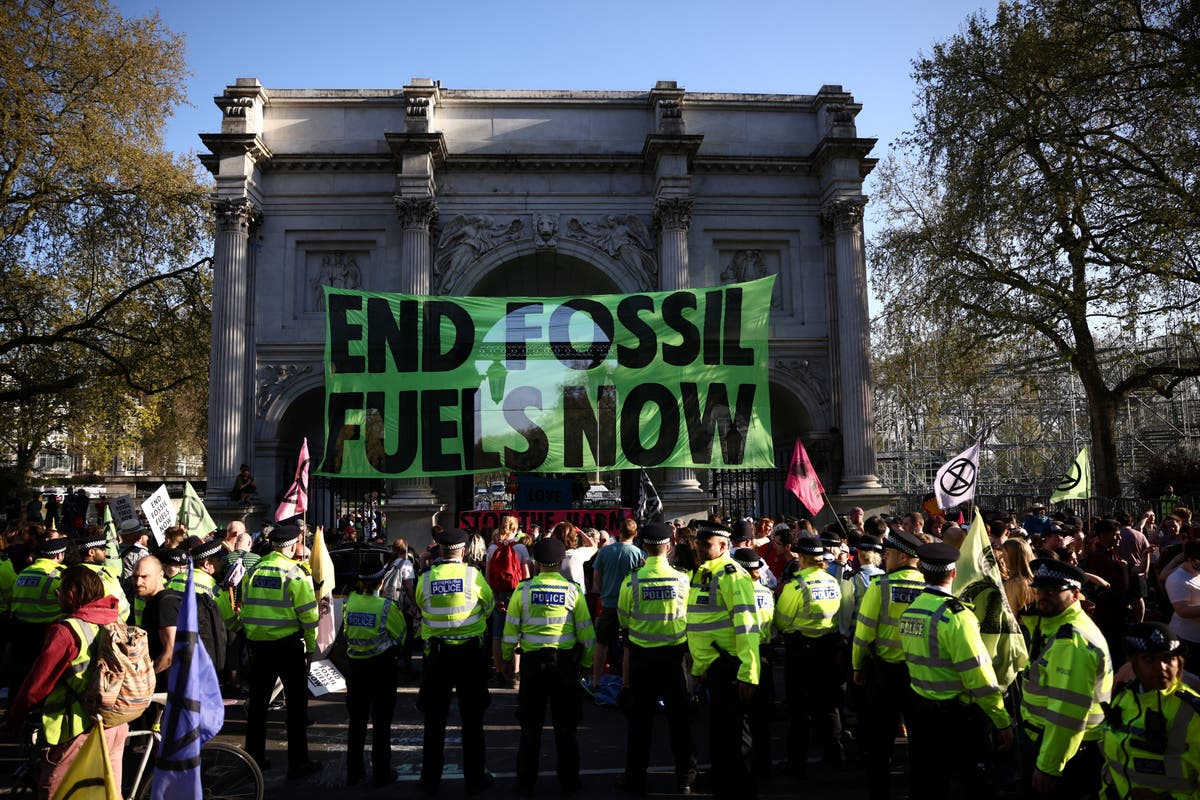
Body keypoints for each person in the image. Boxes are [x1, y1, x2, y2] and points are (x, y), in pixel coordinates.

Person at [899, 542, 1013, 800]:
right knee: (976, 786)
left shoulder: (912, 609)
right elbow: (979, 677)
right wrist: (1001, 720)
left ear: (923, 571)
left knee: (927, 783)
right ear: (953, 574)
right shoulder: (957, 617)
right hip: (957, 718)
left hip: (921, 711)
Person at [5, 565, 129, 797]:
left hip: (76, 727)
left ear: (71, 594)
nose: (57, 596)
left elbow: (37, 684)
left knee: (56, 791)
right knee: (107, 792)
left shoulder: (67, 631)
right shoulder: (114, 620)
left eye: (59, 591)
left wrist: (15, 718)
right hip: (114, 722)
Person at [502, 537, 596, 796]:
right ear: (561, 562)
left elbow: (510, 630)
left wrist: (507, 660)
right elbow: (587, 633)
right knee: (566, 727)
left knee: (530, 727)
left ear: (535, 562)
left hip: (532, 666)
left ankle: (525, 781)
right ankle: (569, 781)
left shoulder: (522, 590)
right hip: (564, 665)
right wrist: (587, 664)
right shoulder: (573, 590)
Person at [1021, 558, 1114, 798]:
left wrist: (1048, 766)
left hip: (1067, 751)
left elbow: (1067, 714)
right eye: (1040, 589)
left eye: (1053, 590)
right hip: (1057, 743)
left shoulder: (1071, 641)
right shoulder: (1054, 624)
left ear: (1075, 594)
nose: (1043, 595)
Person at [615, 522, 695, 795]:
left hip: (642, 658)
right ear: (669, 546)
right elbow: (689, 616)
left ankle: (635, 777)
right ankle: (685, 776)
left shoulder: (632, 580)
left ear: (643, 547)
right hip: (674, 657)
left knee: (640, 723)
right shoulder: (683, 579)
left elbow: (623, 619)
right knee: (680, 721)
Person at [414, 527, 495, 795]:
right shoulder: (473, 575)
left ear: (440, 549)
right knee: (472, 720)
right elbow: (490, 606)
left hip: (436, 657)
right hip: (470, 656)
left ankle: (429, 780)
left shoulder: (425, 578)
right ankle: (475, 778)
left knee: (434, 722)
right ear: (462, 551)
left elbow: (421, 607)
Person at [240, 524, 321, 779]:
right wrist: (310, 646)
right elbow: (309, 616)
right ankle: (298, 763)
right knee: (296, 708)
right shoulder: (294, 573)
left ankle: (254, 759)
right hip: (287, 647)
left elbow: (244, 605)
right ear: (293, 544)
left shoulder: (253, 570)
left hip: (258, 647)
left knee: (258, 707)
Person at [686, 523, 760, 800]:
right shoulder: (705, 573)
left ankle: (740, 790)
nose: (700, 547)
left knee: (734, 737)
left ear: (723, 547)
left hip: (730, 666)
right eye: (699, 543)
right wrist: (699, 668)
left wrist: (748, 672)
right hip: (714, 667)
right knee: (719, 733)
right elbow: (701, 624)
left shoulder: (731, 576)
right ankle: (724, 784)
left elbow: (747, 626)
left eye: (707, 544)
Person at [1101, 622, 1200, 798]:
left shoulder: (1191, 711)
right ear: (1133, 663)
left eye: (1168, 658)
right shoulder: (1122, 698)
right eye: (1150, 659)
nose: (1161, 667)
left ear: (1179, 664)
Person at [774, 533, 844, 775]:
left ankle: (797, 763)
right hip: (828, 648)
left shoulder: (796, 585)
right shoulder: (832, 582)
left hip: (801, 651)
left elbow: (782, 620)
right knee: (828, 707)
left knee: (799, 710)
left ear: (801, 558)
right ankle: (835, 756)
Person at [342, 562, 404, 787]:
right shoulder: (387, 606)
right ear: (382, 581)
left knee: (356, 722)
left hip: (356, 669)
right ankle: (381, 772)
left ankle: (354, 772)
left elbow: (347, 632)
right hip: (381, 669)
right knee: (381, 723)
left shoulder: (349, 602)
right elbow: (401, 636)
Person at [733, 546, 776, 778]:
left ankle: (744, 765)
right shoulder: (767, 593)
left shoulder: (737, 593)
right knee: (762, 716)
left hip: (744, 653)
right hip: (765, 653)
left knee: (742, 715)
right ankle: (764, 765)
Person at [8, 537, 68, 700]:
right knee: (43, 674)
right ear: (58, 556)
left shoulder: (24, 572)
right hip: (45, 632)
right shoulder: (60, 575)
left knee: (20, 672)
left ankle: (15, 708)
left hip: (20, 630)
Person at [590, 517, 644, 689]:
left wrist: (604, 591)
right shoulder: (639, 554)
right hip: (630, 606)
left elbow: (596, 578)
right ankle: (626, 683)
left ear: (618, 531)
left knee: (602, 643)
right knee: (628, 645)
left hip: (609, 603)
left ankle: (597, 680)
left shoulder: (605, 552)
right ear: (635, 534)